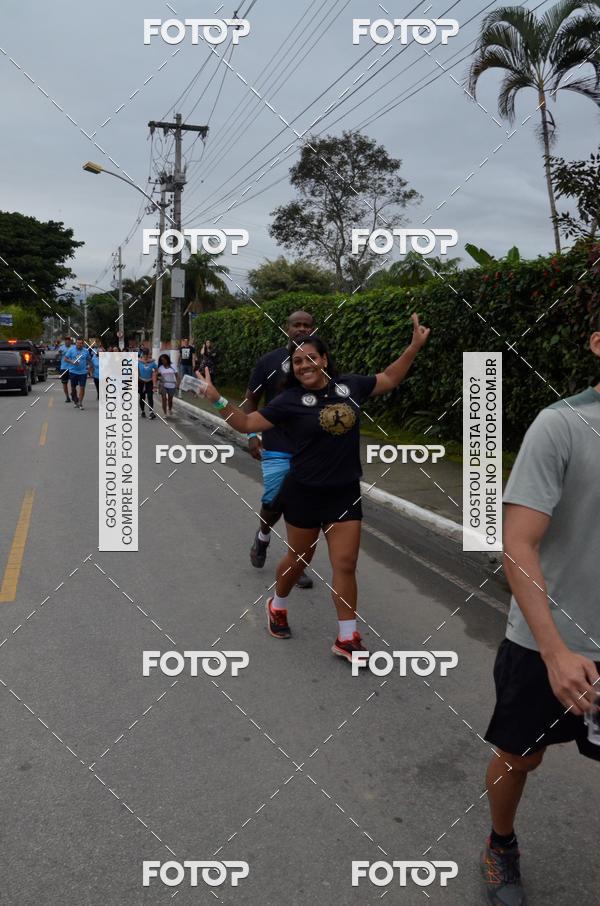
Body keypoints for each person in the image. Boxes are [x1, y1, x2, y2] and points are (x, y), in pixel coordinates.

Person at [196, 313, 430, 656]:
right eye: (297, 362)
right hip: (304, 492)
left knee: (345, 564)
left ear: (324, 360)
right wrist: (216, 398)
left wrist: (413, 346)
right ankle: (277, 604)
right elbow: (245, 423)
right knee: (299, 559)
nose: (304, 365)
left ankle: (347, 637)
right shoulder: (289, 400)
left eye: (310, 358)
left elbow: (391, 377)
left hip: (344, 492)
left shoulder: (350, 387)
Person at [480, 318, 600, 905]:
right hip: (548, 641)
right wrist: (555, 652)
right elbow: (518, 542)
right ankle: (500, 843)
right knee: (519, 757)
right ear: (597, 342)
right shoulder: (562, 425)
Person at [244, 312, 315, 590]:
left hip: (309, 444)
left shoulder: (319, 361)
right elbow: (251, 400)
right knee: (274, 501)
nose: (301, 329)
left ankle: (296, 562)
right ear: (287, 328)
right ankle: (263, 536)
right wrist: (252, 435)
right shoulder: (269, 361)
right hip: (276, 442)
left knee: (302, 504)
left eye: (306, 325)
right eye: (296, 325)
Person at [64, 338, 92, 409]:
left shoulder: (86, 351)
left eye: (81, 343)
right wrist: (72, 362)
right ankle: (75, 399)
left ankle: (80, 403)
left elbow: (89, 360)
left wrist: (90, 369)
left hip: (83, 372)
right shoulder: (71, 350)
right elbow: (65, 358)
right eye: (78, 343)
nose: (79, 344)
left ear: (83, 344)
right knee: (73, 388)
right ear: (76, 343)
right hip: (73, 372)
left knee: (82, 387)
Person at [157, 353, 179, 417]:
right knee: (164, 398)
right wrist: (159, 378)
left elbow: (177, 376)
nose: (163, 362)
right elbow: (157, 376)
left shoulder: (173, 366)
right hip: (163, 385)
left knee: (170, 399)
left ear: (167, 359)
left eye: (164, 360)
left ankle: (170, 409)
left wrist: (177, 384)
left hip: (172, 385)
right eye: (161, 361)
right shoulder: (160, 367)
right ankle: (165, 413)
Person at [138, 350, 158, 419]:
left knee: (150, 396)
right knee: (142, 397)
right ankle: (142, 411)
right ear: (142, 355)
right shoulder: (138, 362)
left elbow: (156, 370)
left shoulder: (152, 363)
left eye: (147, 355)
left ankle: (151, 412)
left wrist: (154, 375)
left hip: (149, 381)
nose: (146, 356)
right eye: (144, 355)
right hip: (141, 381)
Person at [58, 336, 74, 402]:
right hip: (64, 368)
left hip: (72, 368)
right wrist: (59, 353)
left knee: (73, 383)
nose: (67, 341)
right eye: (66, 340)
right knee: (64, 383)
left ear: (70, 341)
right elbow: (57, 355)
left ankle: (73, 393)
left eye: (68, 340)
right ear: (65, 341)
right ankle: (67, 397)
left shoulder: (73, 347)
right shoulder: (61, 348)